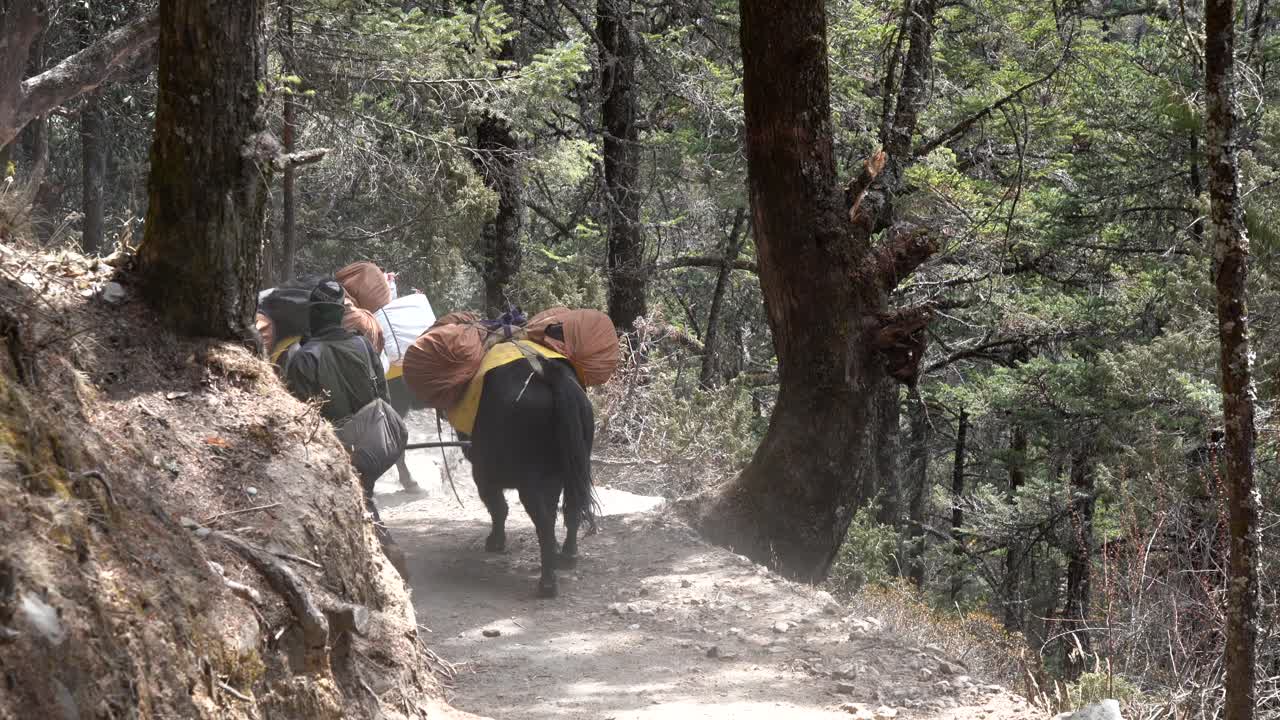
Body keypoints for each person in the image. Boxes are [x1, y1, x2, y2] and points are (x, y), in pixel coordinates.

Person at [284, 280, 407, 570]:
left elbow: (304, 423)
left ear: (313, 315)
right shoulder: (364, 345)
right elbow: (384, 399)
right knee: (365, 497)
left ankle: (387, 560)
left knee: (359, 505)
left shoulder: (303, 358)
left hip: (338, 453)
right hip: (377, 444)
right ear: (340, 314)